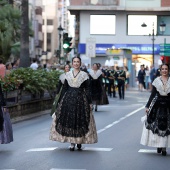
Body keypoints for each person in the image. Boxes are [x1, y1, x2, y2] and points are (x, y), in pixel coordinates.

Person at [49, 56, 98, 151]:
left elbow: (87, 90)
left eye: (77, 62)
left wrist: (89, 102)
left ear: (80, 63)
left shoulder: (84, 75)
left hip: (81, 100)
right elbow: (65, 88)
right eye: (74, 62)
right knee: (70, 121)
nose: (76, 63)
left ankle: (78, 141)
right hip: (68, 100)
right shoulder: (67, 75)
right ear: (72, 63)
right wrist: (60, 102)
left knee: (80, 120)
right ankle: (72, 143)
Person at [140, 64, 170, 156]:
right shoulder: (156, 81)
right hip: (158, 105)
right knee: (157, 125)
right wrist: (147, 106)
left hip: (168, 105)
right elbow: (152, 95)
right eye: (163, 69)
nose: (164, 70)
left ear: (168, 70)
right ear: (160, 70)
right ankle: (159, 145)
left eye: (166, 69)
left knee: (167, 126)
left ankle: (164, 147)